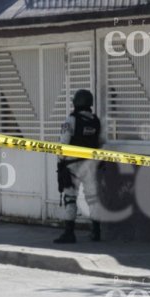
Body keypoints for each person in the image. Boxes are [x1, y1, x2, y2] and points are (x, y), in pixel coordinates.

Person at [54, 89, 103, 244]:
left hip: (72, 164)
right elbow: (100, 144)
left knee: (70, 197)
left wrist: (60, 161)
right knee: (93, 198)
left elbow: (64, 142)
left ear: (76, 102)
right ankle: (96, 232)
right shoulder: (96, 121)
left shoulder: (71, 120)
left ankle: (69, 233)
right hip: (90, 164)